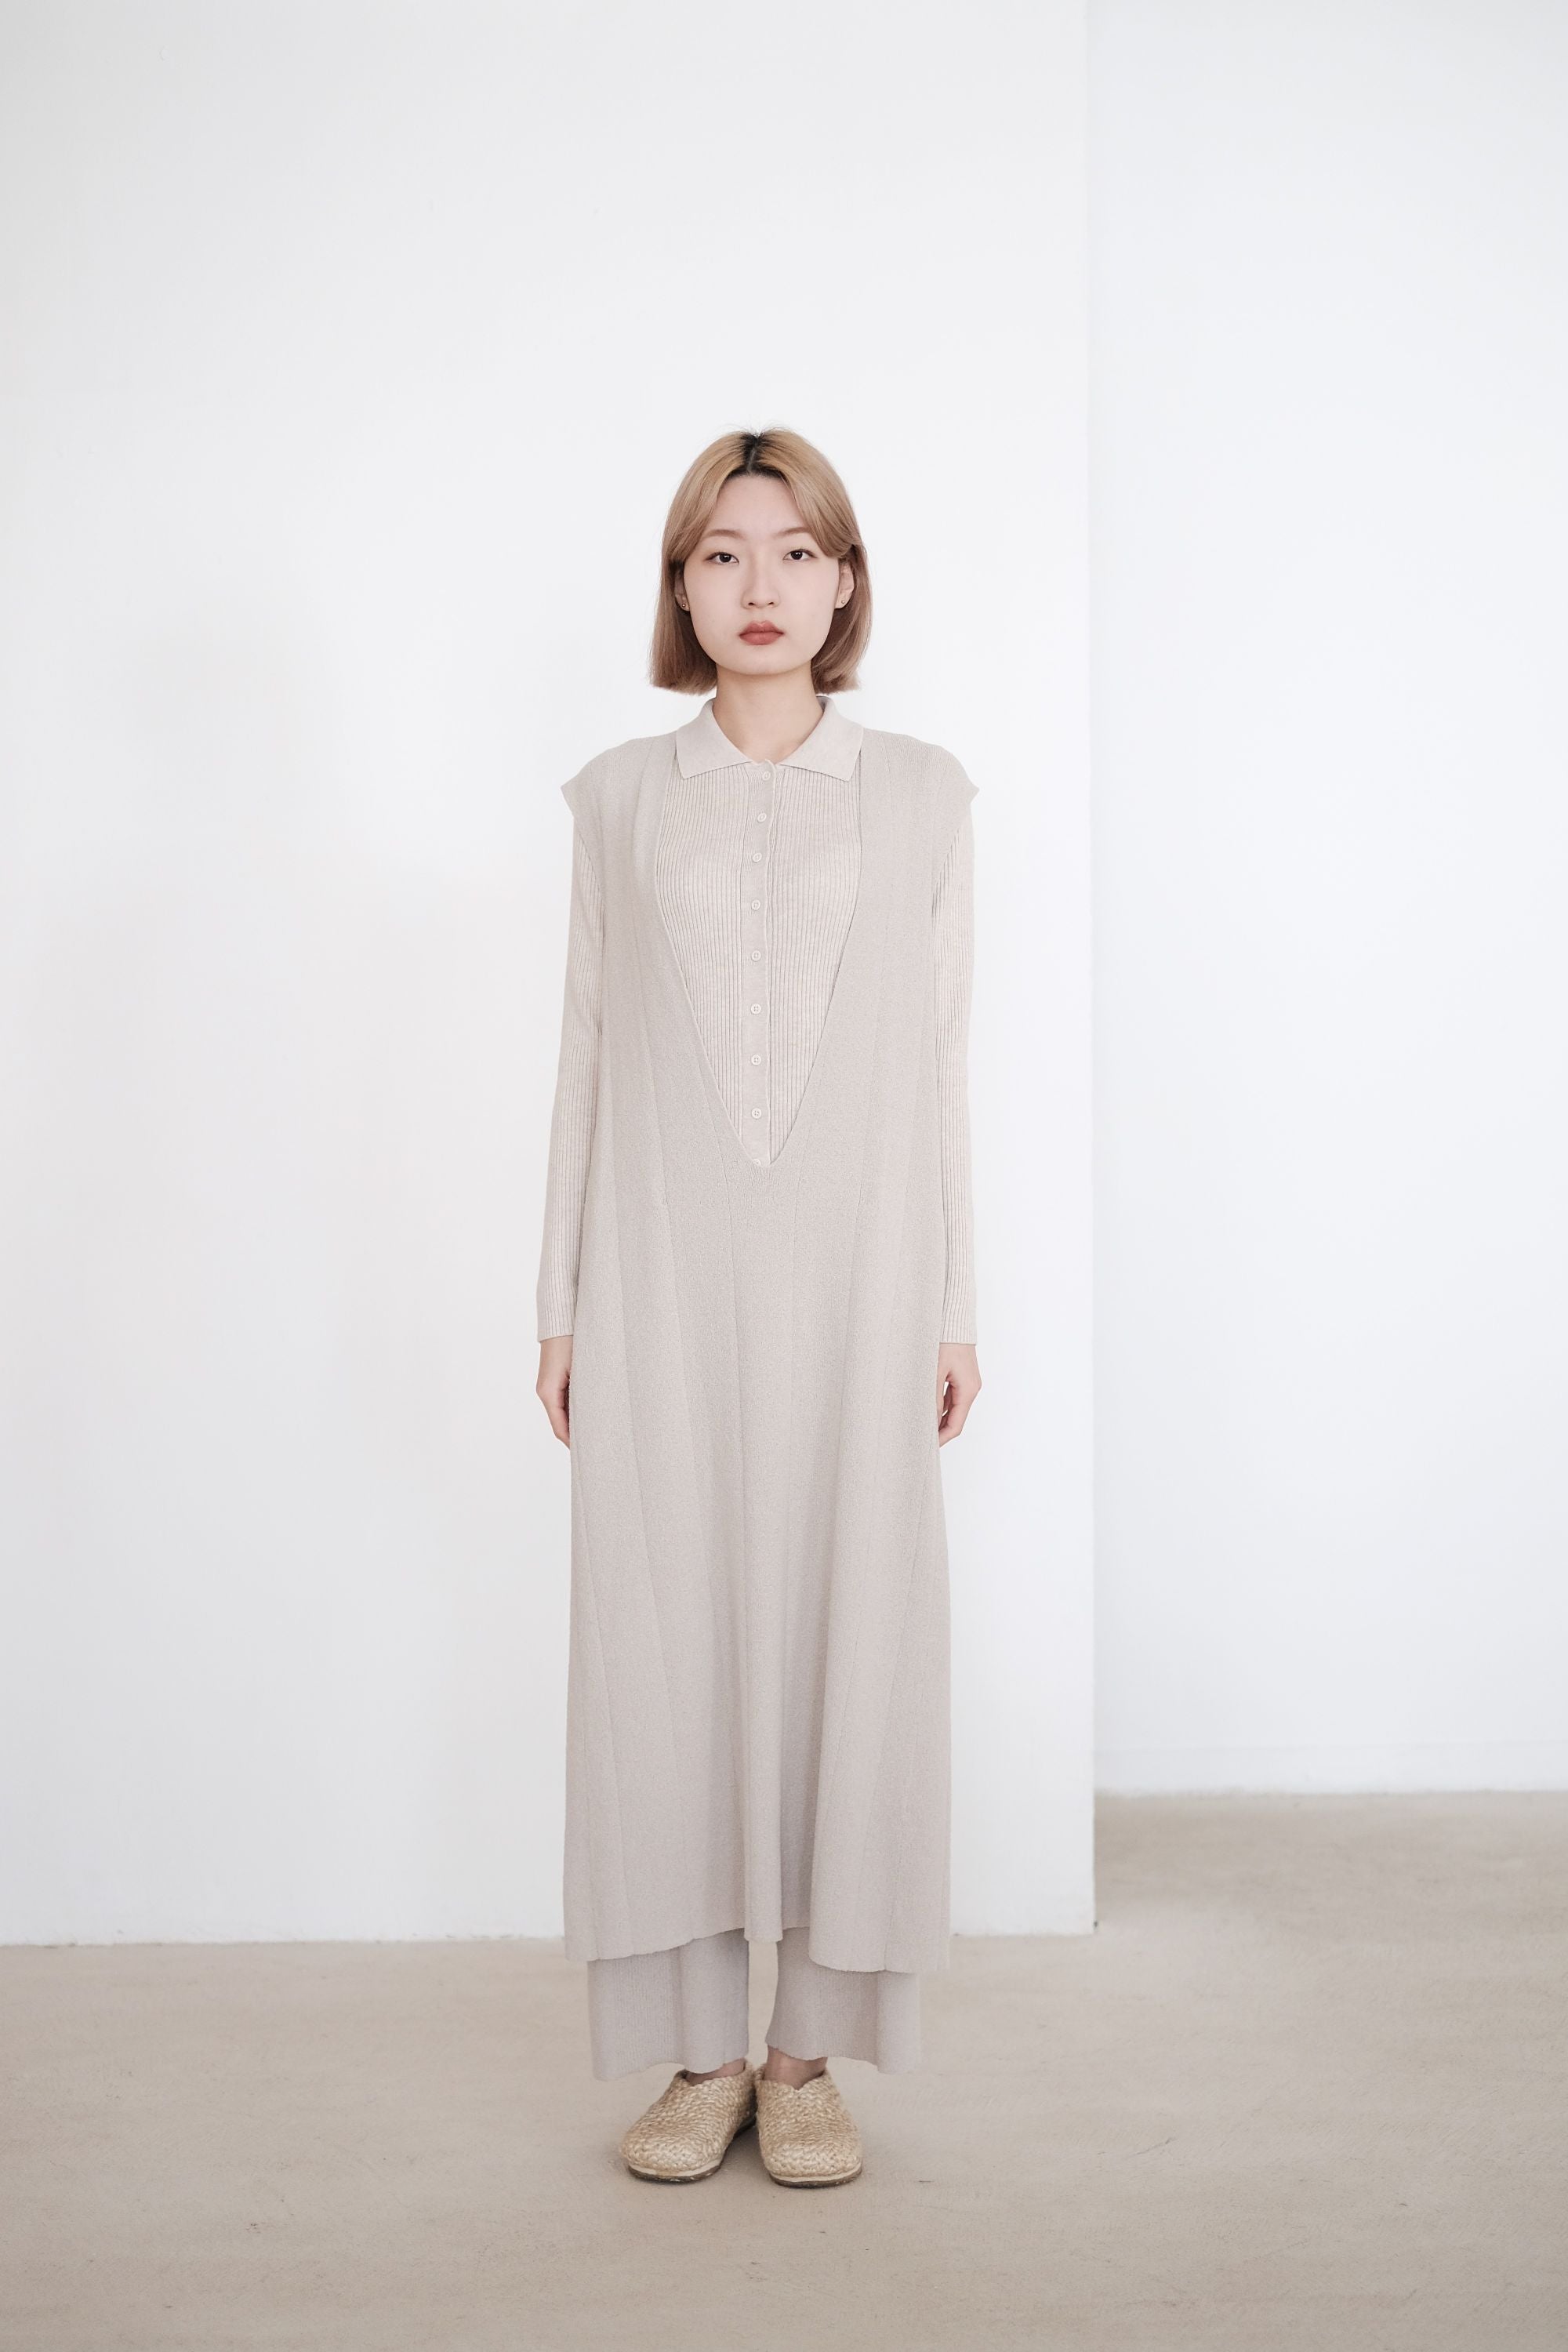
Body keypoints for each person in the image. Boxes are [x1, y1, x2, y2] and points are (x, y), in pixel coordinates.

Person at [535, 426, 981, 2187]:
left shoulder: (925, 793)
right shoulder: (618, 799)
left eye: (796, 551)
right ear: (680, 588)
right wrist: (559, 1301)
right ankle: (698, 2053)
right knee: (663, 1649)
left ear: (846, 581)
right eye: (720, 555)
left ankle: (808, 2059)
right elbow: (584, 1054)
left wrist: (953, 1304)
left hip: (863, 1282)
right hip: (658, 1275)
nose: (760, 587)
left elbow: (940, 1066)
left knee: (855, 1633)